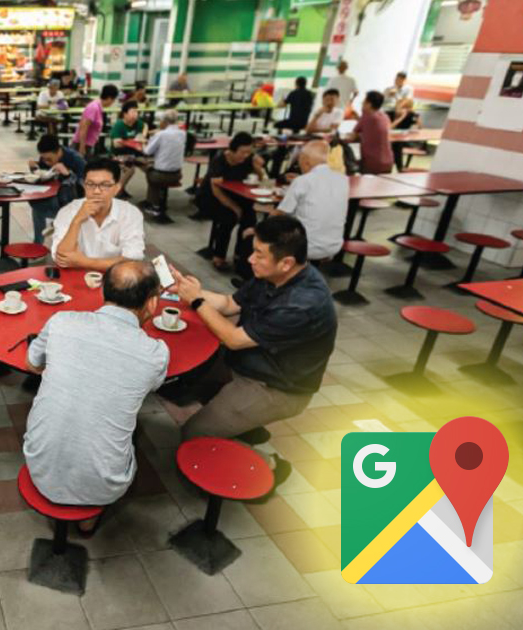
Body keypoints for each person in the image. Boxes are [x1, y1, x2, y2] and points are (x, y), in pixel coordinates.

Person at [170, 215, 337, 489]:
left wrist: (197, 301)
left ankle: (269, 464)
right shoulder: (273, 275)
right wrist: (188, 291)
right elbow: (228, 303)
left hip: (276, 386)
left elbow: (234, 339)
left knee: (194, 435)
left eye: (259, 254)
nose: (250, 259)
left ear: (286, 262)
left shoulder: (302, 304)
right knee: (187, 381)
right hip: (249, 363)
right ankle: (238, 424)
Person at [23, 260, 168, 516]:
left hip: (38, 464)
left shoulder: (61, 321)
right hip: (105, 485)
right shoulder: (155, 353)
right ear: (152, 303)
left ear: (102, 292)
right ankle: (88, 520)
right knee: (128, 424)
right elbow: (151, 386)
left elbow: (32, 364)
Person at [51, 159, 146, 271]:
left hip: (115, 279)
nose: (96, 191)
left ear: (117, 188)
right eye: (90, 184)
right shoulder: (68, 211)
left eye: (105, 185)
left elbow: (133, 260)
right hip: (77, 277)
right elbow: (61, 259)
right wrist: (77, 220)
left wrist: (82, 262)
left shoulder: (130, 213)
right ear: (84, 186)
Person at [195, 132, 266, 270]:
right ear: (233, 149)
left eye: (249, 152)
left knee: (250, 218)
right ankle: (218, 256)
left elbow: (262, 178)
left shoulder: (248, 159)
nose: (245, 155)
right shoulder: (220, 160)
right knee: (229, 217)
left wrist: (258, 167)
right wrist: (235, 208)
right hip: (211, 197)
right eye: (242, 152)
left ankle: (241, 256)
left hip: (236, 195)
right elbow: (215, 189)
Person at [270, 140, 347, 263]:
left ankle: (254, 279)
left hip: (307, 246)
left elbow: (279, 214)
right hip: (334, 245)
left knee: (259, 235)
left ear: (306, 161)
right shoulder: (343, 179)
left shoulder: (303, 181)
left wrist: (257, 228)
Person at [26, 135, 85, 244]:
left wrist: (67, 174)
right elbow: (45, 175)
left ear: (58, 152)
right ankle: (38, 245)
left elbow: (86, 187)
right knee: (37, 207)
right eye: (43, 159)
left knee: (41, 208)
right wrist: (35, 168)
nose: (47, 162)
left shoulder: (76, 159)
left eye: (49, 159)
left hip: (73, 203)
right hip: (56, 197)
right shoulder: (45, 158)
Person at [143, 109, 186, 223]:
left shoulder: (161, 134)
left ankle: (153, 204)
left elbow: (147, 151)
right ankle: (157, 203)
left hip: (161, 175)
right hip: (177, 174)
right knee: (154, 169)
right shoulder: (182, 133)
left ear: (164, 122)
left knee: (148, 171)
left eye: (160, 121)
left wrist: (144, 142)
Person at [343, 90, 393, 174]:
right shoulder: (385, 117)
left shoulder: (367, 116)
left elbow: (352, 136)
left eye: (364, 101)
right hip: (388, 161)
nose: (362, 104)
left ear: (369, 104)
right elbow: (374, 132)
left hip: (372, 162)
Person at [109, 100, 147, 195]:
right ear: (125, 114)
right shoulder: (119, 125)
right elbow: (116, 144)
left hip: (134, 153)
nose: (135, 114)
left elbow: (145, 127)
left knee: (150, 167)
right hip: (119, 154)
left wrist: (143, 135)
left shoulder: (138, 124)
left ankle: (152, 199)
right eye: (133, 112)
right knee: (130, 169)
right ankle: (116, 192)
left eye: (136, 111)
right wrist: (133, 142)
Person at [73, 84, 119, 156]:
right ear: (110, 98)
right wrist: (82, 147)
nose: (113, 102)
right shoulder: (94, 107)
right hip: (82, 144)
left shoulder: (98, 107)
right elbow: (83, 127)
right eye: (114, 100)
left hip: (88, 144)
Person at [389, 97, 422, 171]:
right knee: (396, 145)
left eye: (406, 107)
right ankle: (399, 166)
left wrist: (417, 117)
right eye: (401, 107)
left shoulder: (410, 115)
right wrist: (401, 117)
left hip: (403, 139)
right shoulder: (390, 114)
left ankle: (399, 167)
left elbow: (420, 127)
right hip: (390, 138)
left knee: (397, 144)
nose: (402, 109)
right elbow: (390, 127)